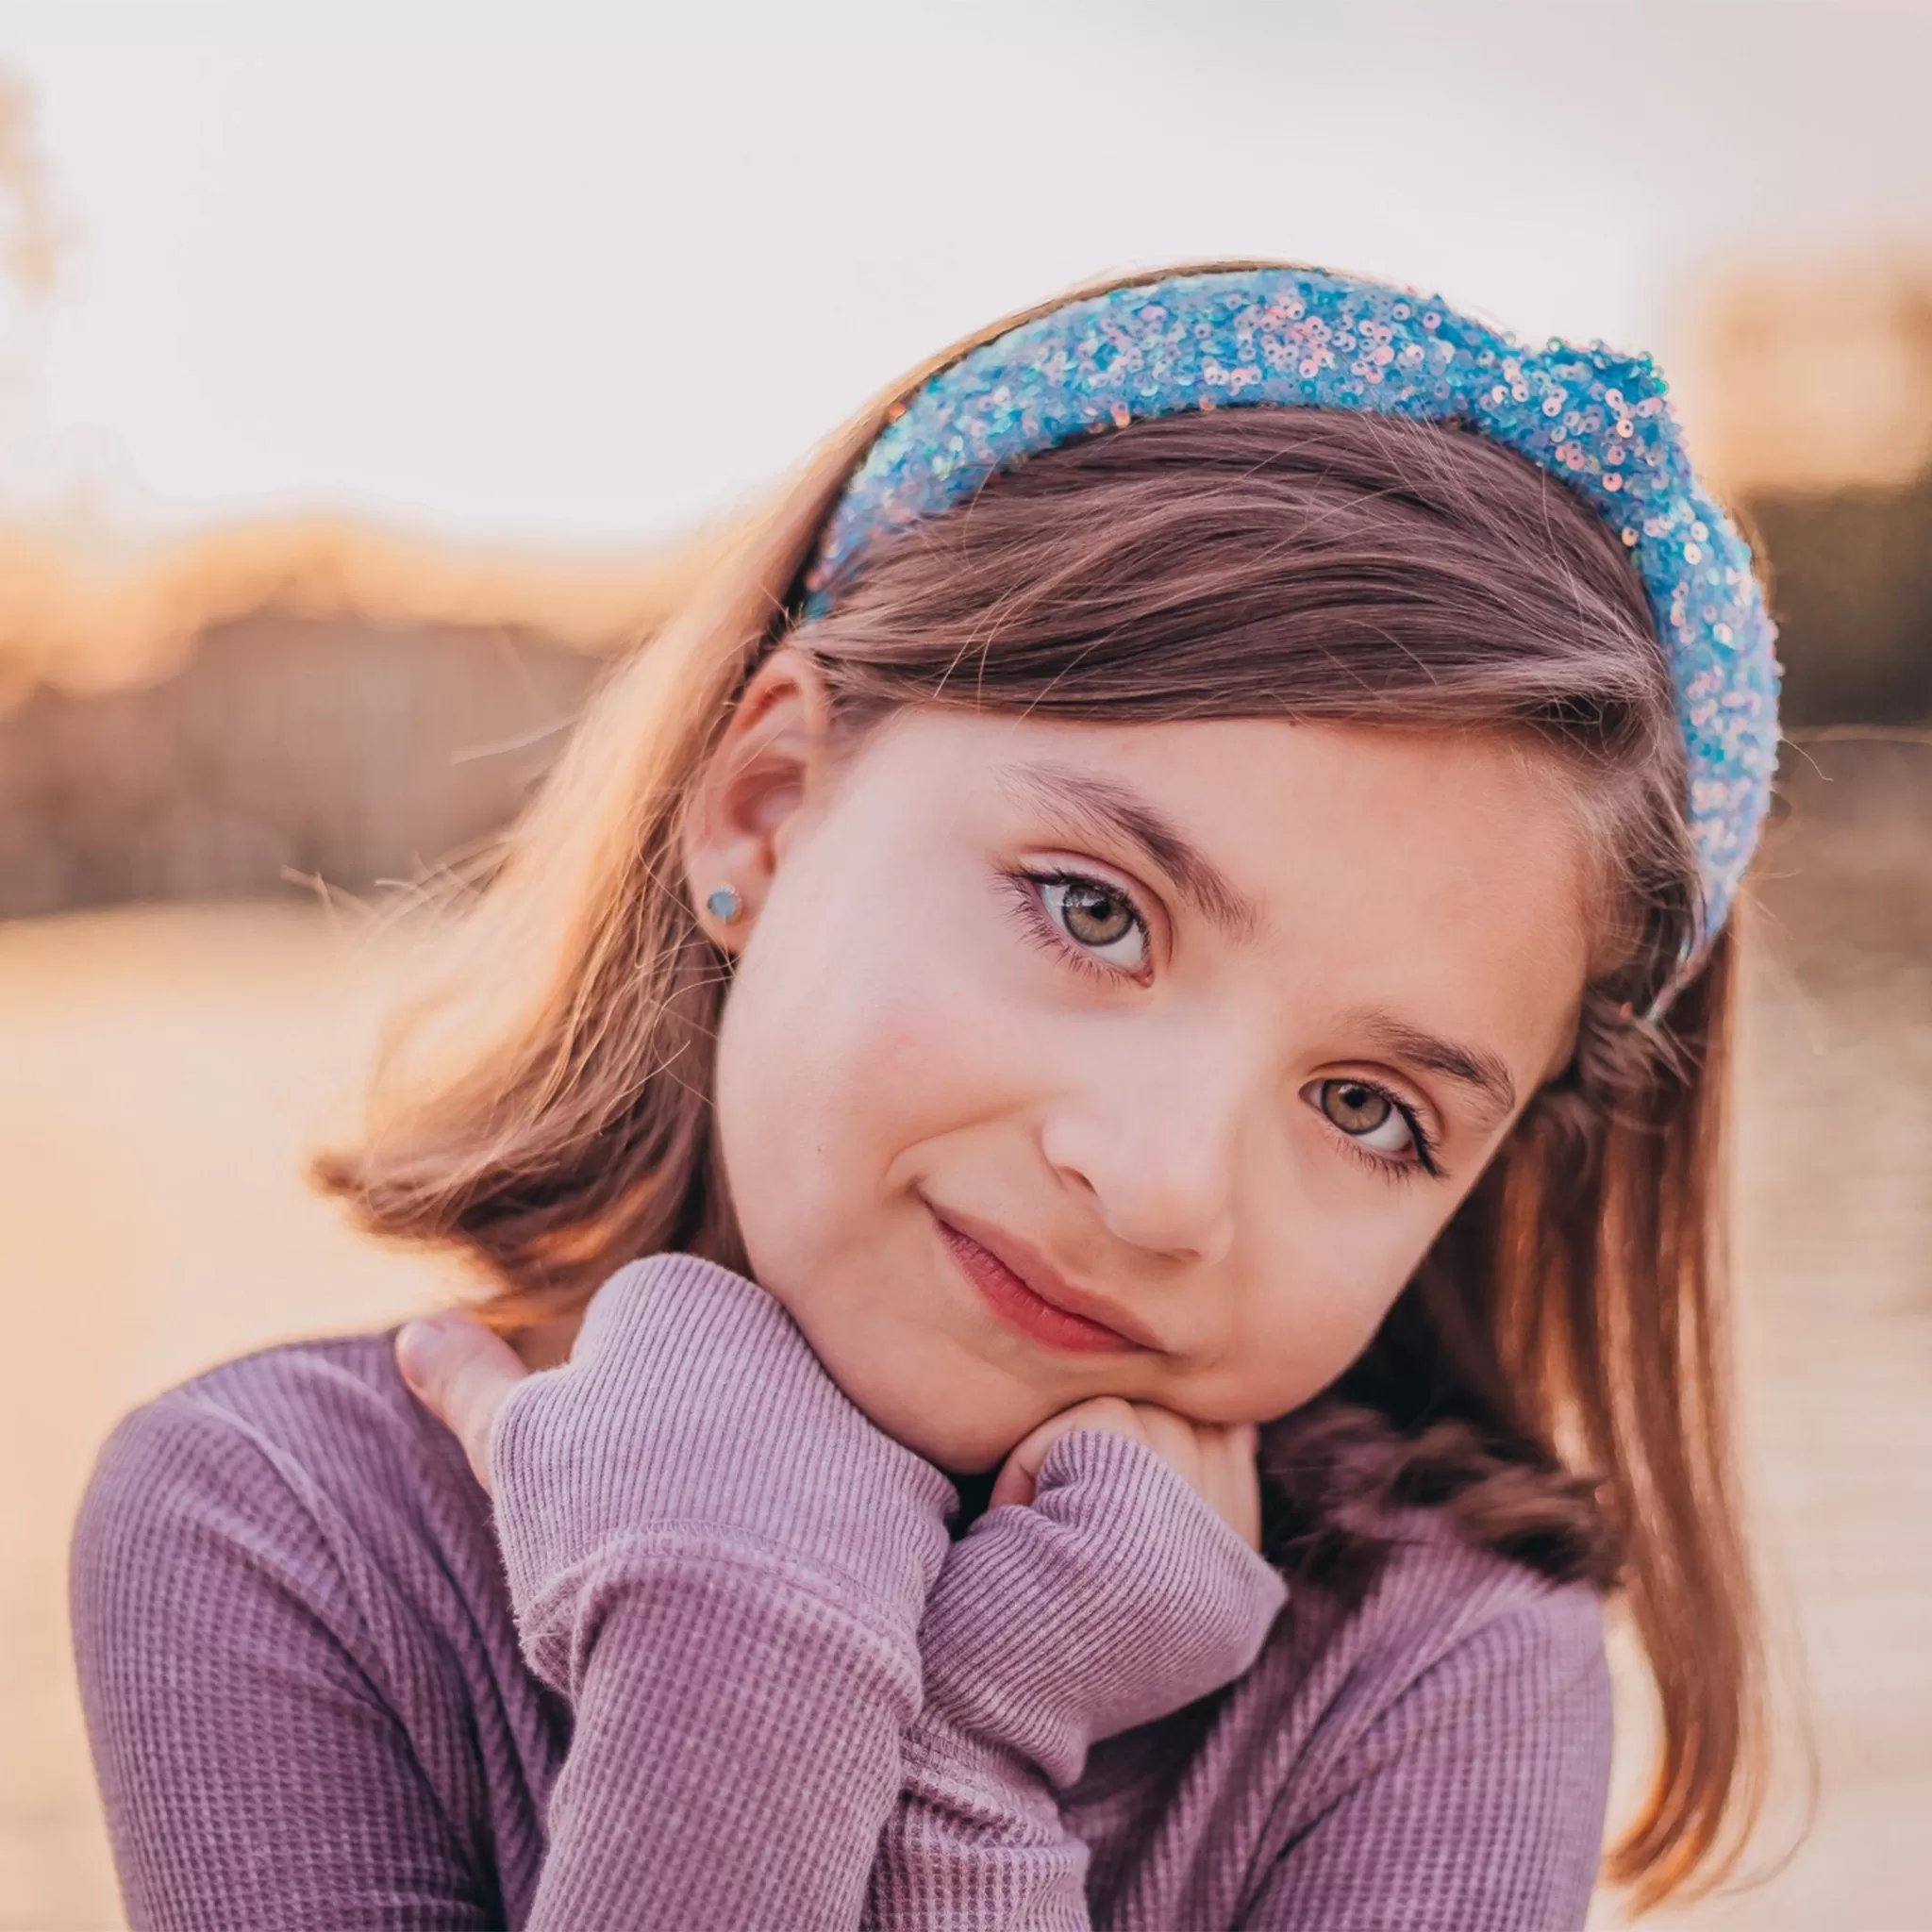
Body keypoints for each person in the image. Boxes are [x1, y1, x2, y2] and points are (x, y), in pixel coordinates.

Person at [70, 262, 1781, 1930]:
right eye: (1093, 911)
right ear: (766, 805)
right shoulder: (280, 1527)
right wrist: (744, 1640)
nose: (1164, 1184)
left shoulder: (1434, 1659)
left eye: (1364, 1107)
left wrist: (966, 1755)